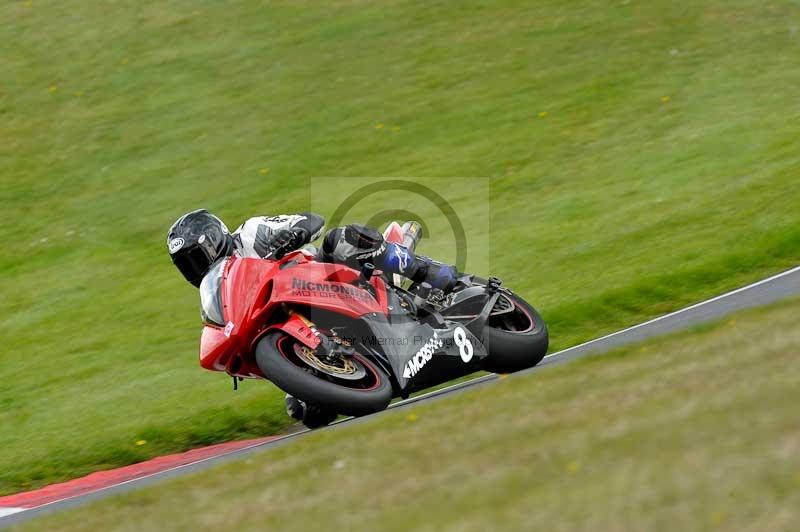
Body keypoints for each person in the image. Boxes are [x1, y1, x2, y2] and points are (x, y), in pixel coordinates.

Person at [166, 208, 458, 424]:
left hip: (321, 278)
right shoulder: (216, 286)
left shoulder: (251, 233)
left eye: (197, 257)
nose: (195, 268)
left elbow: (311, 220)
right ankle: (347, 364)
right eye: (186, 265)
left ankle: (428, 271)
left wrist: (294, 233)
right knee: (306, 412)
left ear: (214, 238)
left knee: (340, 240)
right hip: (294, 323)